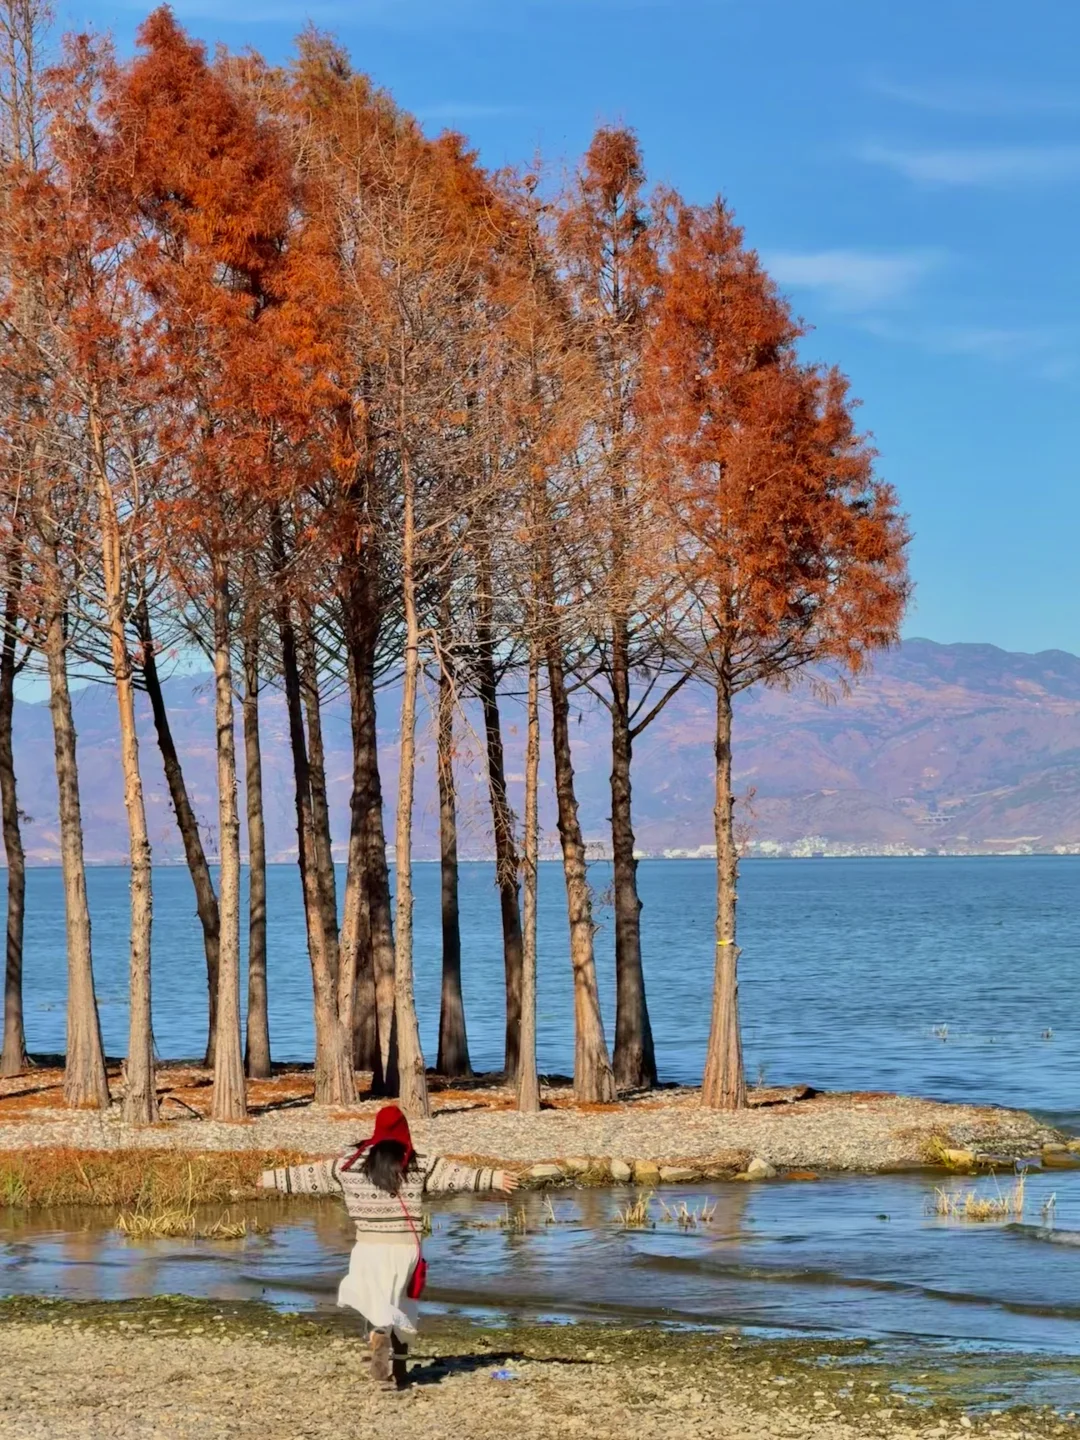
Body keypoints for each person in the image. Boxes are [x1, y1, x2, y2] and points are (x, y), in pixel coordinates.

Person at [260, 1105, 517, 1384]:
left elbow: (312, 1176)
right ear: (405, 1131)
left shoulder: (350, 1165)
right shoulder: (417, 1163)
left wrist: (272, 1179)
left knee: (375, 1303)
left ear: (376, 1130)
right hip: (406, 1249)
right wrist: (493, 1178)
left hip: (369, 1248)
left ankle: (377, 1336)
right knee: (403, 1305)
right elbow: (454, 1175)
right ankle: (400, 1369)